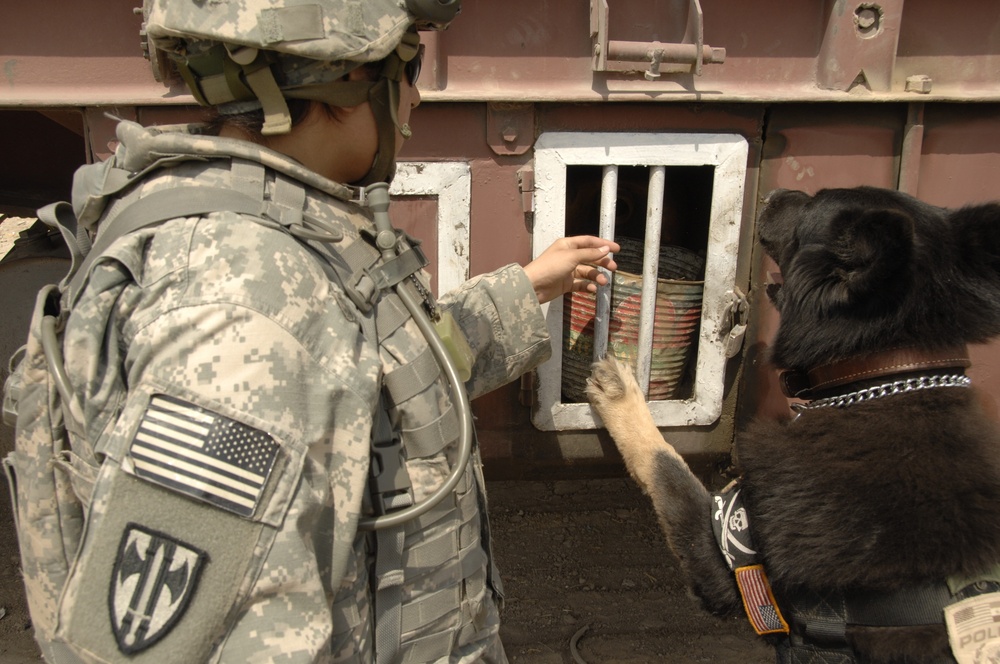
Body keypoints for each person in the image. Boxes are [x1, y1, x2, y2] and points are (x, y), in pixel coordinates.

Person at [12, 1, 619, 662]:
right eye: (408, 66)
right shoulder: (248, 298)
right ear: (346, 82)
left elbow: (380, 385)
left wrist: (527, 286)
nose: (415, 99)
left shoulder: (270, 225)